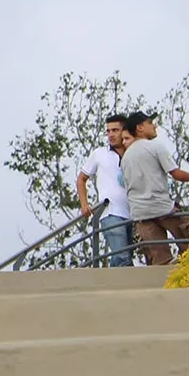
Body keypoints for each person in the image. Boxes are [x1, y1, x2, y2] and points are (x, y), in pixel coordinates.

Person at [120, 110, 189, 265]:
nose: (154, 126)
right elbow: (176, 174)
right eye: (150, 123)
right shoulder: (155, 147)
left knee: (159, 261)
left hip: (140, 214)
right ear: (140, 128)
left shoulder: (126, 157)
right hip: (162, 207)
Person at [75, 114, 134, 266]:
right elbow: (81, 178)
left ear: (124, 130)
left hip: (134, 212)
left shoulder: (134, 152)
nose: (111, 135)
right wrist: (84, 204)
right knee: (121, 257)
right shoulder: (99, 153)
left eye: (115, 130)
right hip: (110, 212)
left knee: (127, 258)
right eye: (108, 131)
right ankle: (120, 287)